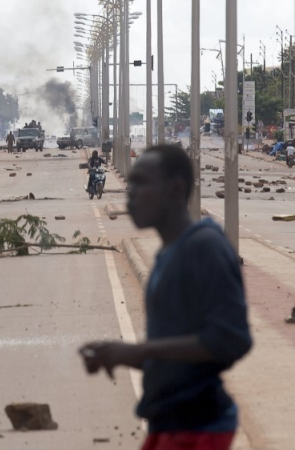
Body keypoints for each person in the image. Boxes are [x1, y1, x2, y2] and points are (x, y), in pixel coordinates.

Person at [80, 145, 252, 450]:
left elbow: (231, 339)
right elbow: (177, 349)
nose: (129, 193)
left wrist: (137, 353)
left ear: (175, 189)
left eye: (141, 183)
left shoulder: (205, 247)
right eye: (130, 183)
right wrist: (118, 354)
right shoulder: (168, 254)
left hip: (198, 427)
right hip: (171, 422)